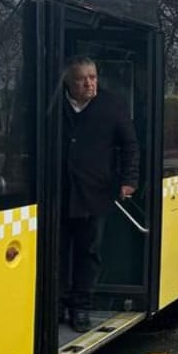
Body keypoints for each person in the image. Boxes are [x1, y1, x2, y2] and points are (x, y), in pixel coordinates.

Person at [60, 56, 139, 332]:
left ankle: (81, 306)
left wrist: (129, 181)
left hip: (95, 193)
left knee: (88, 252)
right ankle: (58, 302)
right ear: (69, 81)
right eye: (82, 78)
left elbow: (130, 145)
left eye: (93, 77)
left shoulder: (112, 105)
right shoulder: (55, 104)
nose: (89, 83)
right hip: (57, 193)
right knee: (57, 252)